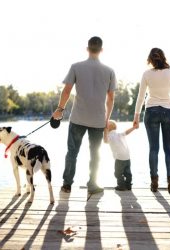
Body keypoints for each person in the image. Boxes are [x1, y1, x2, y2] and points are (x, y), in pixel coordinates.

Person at [52, 36, 116, 194]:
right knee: (95, 153)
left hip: (78, 118)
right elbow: (111, 98)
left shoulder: (76, 67)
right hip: (98, 120)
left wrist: (60, 109)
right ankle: (93, 185)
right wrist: (106, 119)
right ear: (101, 50)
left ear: (87, 49)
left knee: (72, 152)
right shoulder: (109, 71)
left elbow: (66, 91)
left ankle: (67, 185)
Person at [133, 48, 170, 194]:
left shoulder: (147, 74)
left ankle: (154, 183)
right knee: (169, 149)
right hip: (168, 111)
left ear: (150, 59)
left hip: (151, 111)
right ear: (163, 58)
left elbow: (141, 96)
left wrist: (136, 115)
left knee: (153, 149)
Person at [104, 120, 137, 191]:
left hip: (119, 158)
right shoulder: (119, 134)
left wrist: (105, 131)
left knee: (118, 173)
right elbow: (127, 132)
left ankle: (121, 186)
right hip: (127, 157)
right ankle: (128, 185)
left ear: (108, 128)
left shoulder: (109, 136)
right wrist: (133, 127)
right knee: (127, 172)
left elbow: (105, 141)